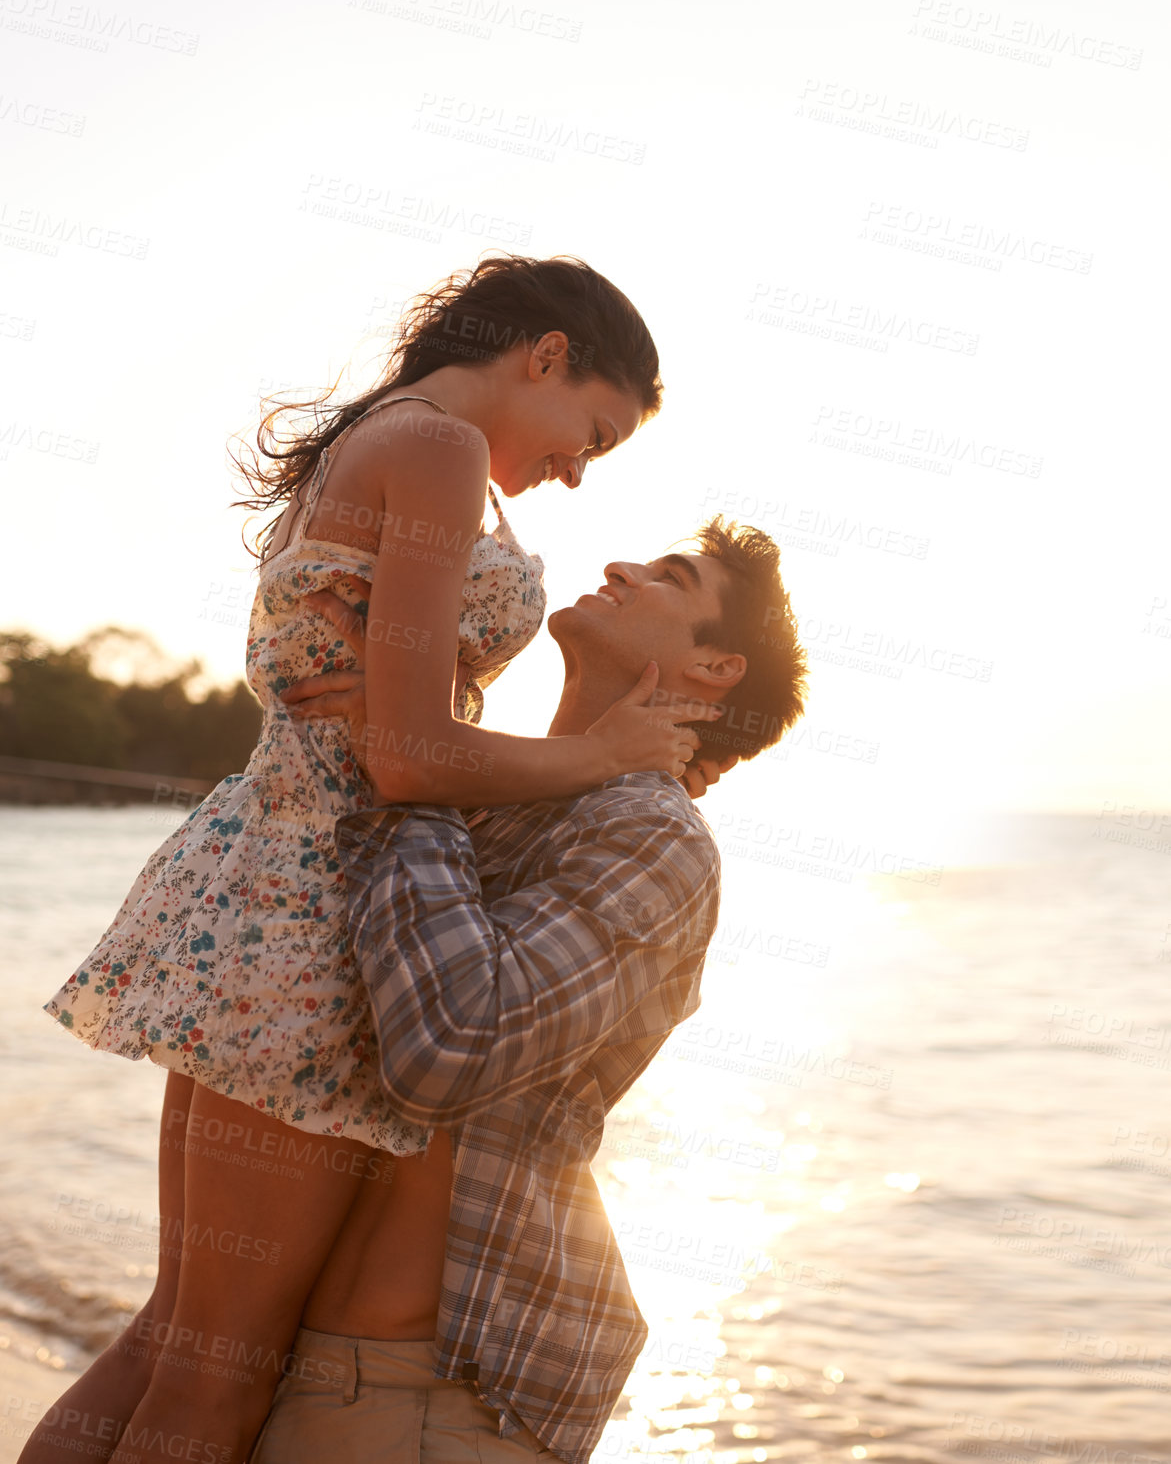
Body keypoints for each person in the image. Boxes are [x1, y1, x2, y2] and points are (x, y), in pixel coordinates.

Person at [24, 255, 717, 1464]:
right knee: (217, 1378)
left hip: (264, 891)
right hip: (314, 923)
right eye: (589, 434)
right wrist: (599, 757)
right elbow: (403, 754)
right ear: (545, 354)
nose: (574, 471)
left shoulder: (394, 445)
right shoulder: (439, 453)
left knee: (171, 1343)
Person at [241, 514, 809, 1464]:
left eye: (669, 576)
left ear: (716, 671)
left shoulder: (656, 835)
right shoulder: (497, 787)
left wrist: (406, 771)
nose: (621, 565)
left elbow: (452, 1045)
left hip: (429, 1398)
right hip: (320, 1363)